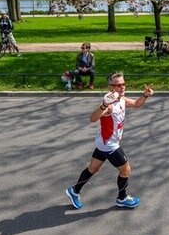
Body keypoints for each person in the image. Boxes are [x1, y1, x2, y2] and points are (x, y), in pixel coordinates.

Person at [65, 72, 154, 209]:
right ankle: (122, 198)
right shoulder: (109, 105)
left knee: (93, 168)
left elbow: (136, 104)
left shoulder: (122, 100)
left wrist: (145, 95)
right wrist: (103, 105)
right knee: (126, 170)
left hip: (103, 142)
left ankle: (74, 191)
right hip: (109, 145)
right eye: (118, 85)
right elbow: (93, 118)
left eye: (123, 84)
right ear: (110, 87)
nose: (122, 87)